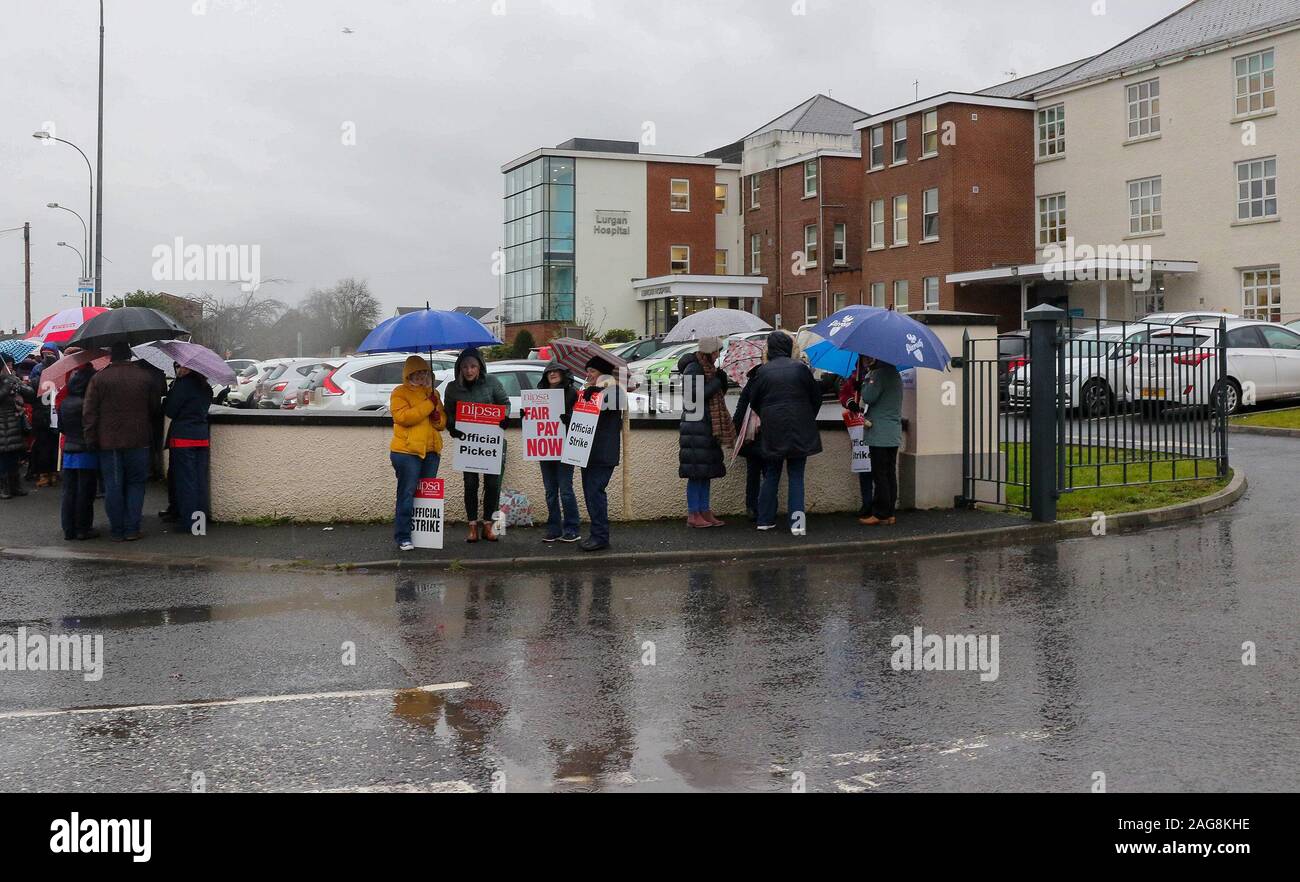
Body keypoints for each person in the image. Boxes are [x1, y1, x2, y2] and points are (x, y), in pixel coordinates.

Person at [84, 342, 161, 542]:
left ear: (111, 357)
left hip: (109, 442)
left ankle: (117, 530)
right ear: (130, 356)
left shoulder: (99, 378)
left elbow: (89, 413)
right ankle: (132, 529)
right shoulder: (145, 377)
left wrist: (91, 439)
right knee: (136, 484)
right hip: (139, 439)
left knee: (113, 486)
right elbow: (154, 408)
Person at [747, 330, 823, 533]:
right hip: (800, 429)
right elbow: (816, 398)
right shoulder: (801, 369)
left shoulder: (763, 372)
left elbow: (754, 401)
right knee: (796, 476)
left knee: (771, 474)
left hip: (773, 430)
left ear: (770, 349)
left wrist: (767, 416)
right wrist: (807, 416)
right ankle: (797, 524)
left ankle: (764, 520)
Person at [443, 347, 509, 543]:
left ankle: (488, 524)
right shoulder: (453, 388)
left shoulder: (492, 382)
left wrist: (503, 417)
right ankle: (472, 525)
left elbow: (505, 403)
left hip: (491, 443)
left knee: (493, 484)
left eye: (473, 366)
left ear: (480, 366)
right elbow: (449, 413)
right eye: (465, 367)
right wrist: (452, 427)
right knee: (470, 484)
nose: (469, 371)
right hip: (468, 444)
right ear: (459, 369)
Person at [388, 355, 446, 552]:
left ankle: (423, 536)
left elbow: (441, 424)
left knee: (426, 496)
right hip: (407, 452)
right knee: (407, 493)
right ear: (409, 374)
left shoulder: (433, 393)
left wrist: (437, 416)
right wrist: (429, 404)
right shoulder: (400, 393)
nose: (421, 376)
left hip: (431, 451)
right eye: (417, 373)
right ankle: (403, 536)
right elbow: (403, 417)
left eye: (424, 372)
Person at [678, 336, 733, 528]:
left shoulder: (709, 369)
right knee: (696, 473)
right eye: (717, 350)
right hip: (695, 427)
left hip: (706, 426)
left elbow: (716, 394)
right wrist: (717, 382)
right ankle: (694, 513)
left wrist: (722, 380)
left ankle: (704, 510)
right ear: (709, 352)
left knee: (706, 471)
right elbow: (694, 396)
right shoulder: (693, 368)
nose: (718, 354)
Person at [162, 363, 216, 535]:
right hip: (201, 437)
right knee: (200, 480)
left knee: (186, 481)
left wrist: (168, 397)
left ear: (190, 368)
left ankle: (190, 522)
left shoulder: (183, 385)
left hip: (183, 437)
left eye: (182, 366)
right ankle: (200, 522)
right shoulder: (206, 387)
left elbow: (170, 410)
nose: (179, 368)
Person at [577, 356, 624, 552]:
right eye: (588, 371)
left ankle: (601, 536)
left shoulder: (615, 391)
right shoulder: (590, 391)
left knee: (595, 493)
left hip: (603, 452)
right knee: (590, 494)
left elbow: (609, 404)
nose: (588, 375)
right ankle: (596, 534)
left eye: (593, 371)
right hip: (587, 451)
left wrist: (594, 392)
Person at [535, 361, 580, 543]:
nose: (552, 374)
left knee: (566, 490)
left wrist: (569, 419)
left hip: (565, 448)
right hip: (546, 448)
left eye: (556, 371)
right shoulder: (539, 394)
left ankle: (572, 528)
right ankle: (554, 528)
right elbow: (536, 420)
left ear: (563, 373)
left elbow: (580, 418)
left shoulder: (572, 393)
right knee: (550, 491)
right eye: (549, 372)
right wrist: (527, 415)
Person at [858, 357, 904, 526]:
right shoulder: (895, 373)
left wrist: (865, 381)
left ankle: (880, 513)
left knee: (880, 474)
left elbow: (869, 397)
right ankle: (890, 512)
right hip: (892, 432)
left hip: (880, 433)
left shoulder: (878, 374)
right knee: (889, 473)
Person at [57, 365, 100, 540]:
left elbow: (61, 428)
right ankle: (83, 528)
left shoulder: (66, 402)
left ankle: (68, 528)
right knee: (86, 492)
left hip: (69, 450)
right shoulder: (88, 403)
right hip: (86, 451)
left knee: (69, 491)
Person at [839, 356, 874, 518]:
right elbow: (844, 394)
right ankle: (867, 503)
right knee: (864, 467)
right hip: (859, 426)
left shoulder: (879, 374)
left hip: (875, 425)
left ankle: (878, 503)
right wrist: (851, 402)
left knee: (878, 468)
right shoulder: (855, 375)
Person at [0, 352, 37, 500]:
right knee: (2, 458)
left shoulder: (11, 378)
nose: (9, 367)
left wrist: (19, 386)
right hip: (2, 424)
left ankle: (15, 486)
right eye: (6, 365)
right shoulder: (6, 382)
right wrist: (6, 387)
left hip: (14, 423)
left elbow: (31, 394)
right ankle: (4, 487)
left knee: (14, 456)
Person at [731, 363, 763, 521]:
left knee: (753, 473)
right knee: (771, 473)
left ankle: (751, 507)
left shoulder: (753, 379)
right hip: (771, 433)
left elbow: (741, 406)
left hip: (752, 436)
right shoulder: (773, 378)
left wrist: (736, 432)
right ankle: (768, 508)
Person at [27, 342, 61, 487]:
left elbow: (30, 394)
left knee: (43, 445)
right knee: (53, 445)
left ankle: (44, 474)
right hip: (55, 413)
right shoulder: (61, 371)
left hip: (41, 414)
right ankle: (52, 472)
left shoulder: (36, 374)